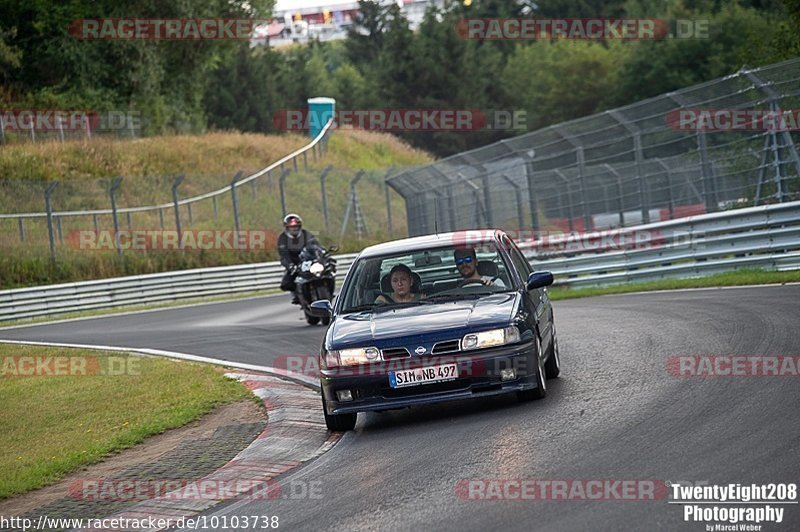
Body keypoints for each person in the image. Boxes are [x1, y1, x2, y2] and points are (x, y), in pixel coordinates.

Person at [278, 213, 320, 304]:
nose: (294, 229)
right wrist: (290, 265)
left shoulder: (306, 234)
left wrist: (319, 255)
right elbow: (283, 254)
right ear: (287, 228)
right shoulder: (283, 238)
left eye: (296, 227)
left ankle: (325, 288)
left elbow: (315, 245)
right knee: (286, 283)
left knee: (326, 269)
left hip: (309, 260)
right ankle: (296, 294)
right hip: (294, 262)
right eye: (291, 227)